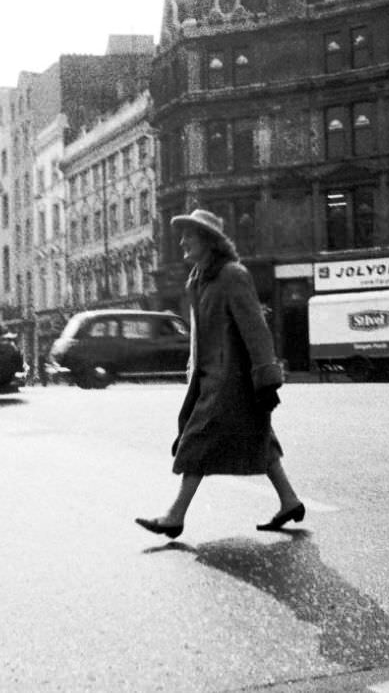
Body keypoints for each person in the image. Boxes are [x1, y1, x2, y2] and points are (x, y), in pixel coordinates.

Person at [135, 209, 304, 539]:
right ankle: (290, 501)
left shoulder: (231, 275)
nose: (182, 241)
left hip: (232, 380)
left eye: (190, 235)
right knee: (259, 440)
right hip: (211, 377)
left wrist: (267, 377)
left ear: (209, 241)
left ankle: (174, 516)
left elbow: (255, 328)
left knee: (198, 442)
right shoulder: (199, 278)